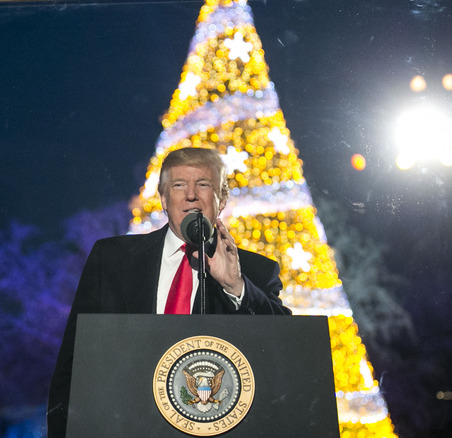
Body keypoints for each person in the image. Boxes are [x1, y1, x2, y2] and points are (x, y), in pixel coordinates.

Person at [47, 147, 291, 436]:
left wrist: (235, 286)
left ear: (222, 199)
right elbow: (74, 364)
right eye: (178, 185)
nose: (191, 195)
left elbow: (285, 347)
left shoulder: (254, 270)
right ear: (164, 199)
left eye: (203, 184)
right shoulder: (112, 259)